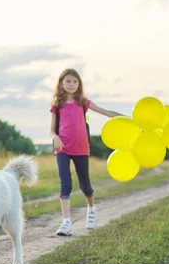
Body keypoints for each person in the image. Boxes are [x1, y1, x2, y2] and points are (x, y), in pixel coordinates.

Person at [49, 68, 123, 236]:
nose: (71, 84)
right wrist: (55, 138)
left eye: (75, 81)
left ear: (79, 84)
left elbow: (107, 113)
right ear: (61, 83)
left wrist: (127, 119)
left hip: (81, 148)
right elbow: (52, 130)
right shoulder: (57, 104)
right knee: (65, 183)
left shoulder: (83, 102)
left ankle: (91, 208)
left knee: (85, 186)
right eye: (68, 81)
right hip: (62, 148)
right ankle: (66, 223)